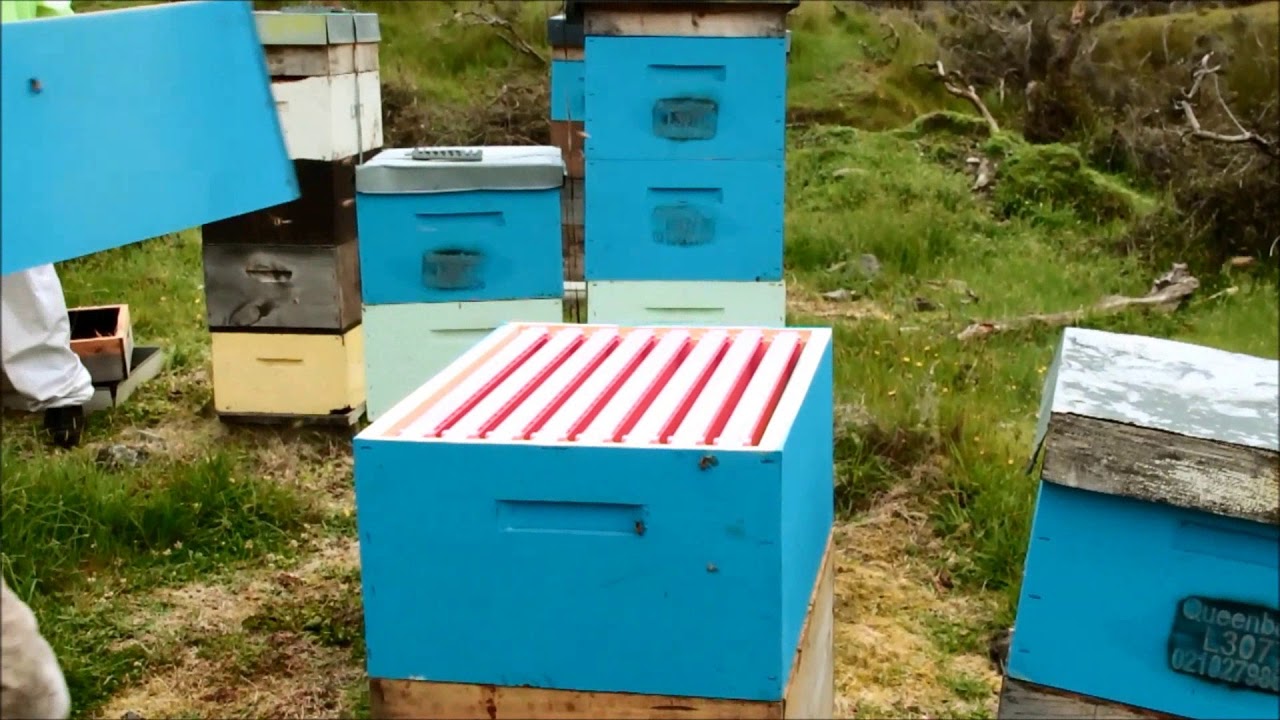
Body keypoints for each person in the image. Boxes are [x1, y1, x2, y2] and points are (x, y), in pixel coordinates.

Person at [1, 0, 94, 450]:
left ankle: (57, 392)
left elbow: (54, 20)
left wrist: (53, 71)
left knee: (18, 253)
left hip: (8, 92)